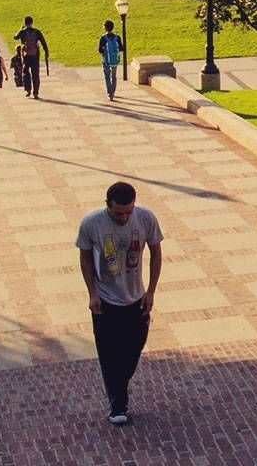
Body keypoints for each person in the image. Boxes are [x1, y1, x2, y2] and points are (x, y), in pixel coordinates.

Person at [76, 181, 162, 426]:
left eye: (128, 212)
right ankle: (118, 404)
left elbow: (156, 252)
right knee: (109, 355)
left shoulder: (145, 218)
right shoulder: (91, 223)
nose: (124, 218)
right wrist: (92, 293)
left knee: (133, 349)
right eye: (118, 213)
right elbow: (84, 257)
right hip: (105, 301)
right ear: (107, 206)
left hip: (136, 298)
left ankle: (119, 385)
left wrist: (151, 291)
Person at [13, 15, 49, 99]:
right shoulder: (37, 31)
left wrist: (20, 29)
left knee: (25, 72)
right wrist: (46, 52)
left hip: (26, 55)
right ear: (32, 22)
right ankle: (36, 92)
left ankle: (28, 89)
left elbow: (15, 37)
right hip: (35, 55)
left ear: (25, 23)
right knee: (35, 74)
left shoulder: (23, 32)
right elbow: (43, 42)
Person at [98, 20, 124, 101]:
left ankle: (110, 93)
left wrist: (105, 51)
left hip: (106, 60)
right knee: (114, 76)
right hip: (115, 61)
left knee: (107, 76)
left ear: (105, 28)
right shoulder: (117, 37)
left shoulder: (103, 38)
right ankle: (113, 92)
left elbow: (100, 50)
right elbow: (121, 48)